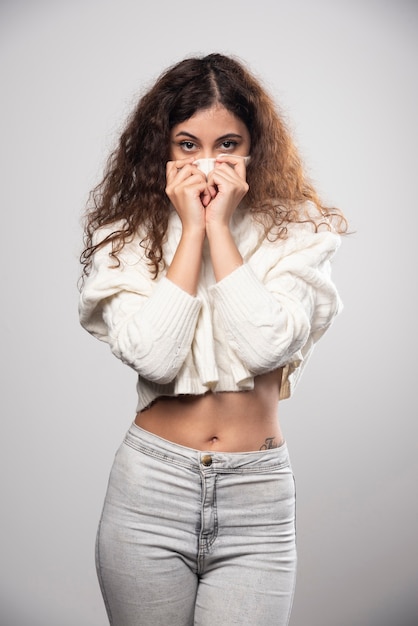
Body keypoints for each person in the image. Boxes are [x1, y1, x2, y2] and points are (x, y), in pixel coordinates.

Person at [79, 52, 347, 626]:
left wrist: (220, 228)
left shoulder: (297, 231)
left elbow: (266, 346)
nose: (208, 163)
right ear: (163, 150)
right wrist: (191, 233)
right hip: (151, 491)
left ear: (254, 147)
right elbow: (155, 356)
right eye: (188, 144)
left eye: (227, 144)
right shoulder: (127, 239)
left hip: (257, 500)